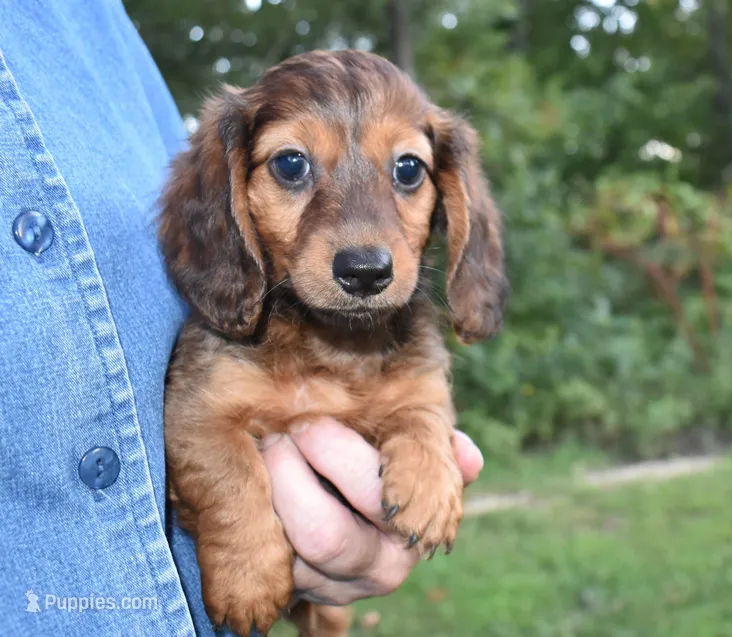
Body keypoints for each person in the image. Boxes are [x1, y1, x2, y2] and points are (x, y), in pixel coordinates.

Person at [0, 2, 484, 636]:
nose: (364, 244)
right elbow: (197, 421)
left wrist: (421, 437)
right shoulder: (232, 346)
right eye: (292, 166)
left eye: (405, 170)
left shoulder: (99, 30)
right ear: (228, 190)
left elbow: (421, 409)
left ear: (449, 193)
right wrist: (238, 534)